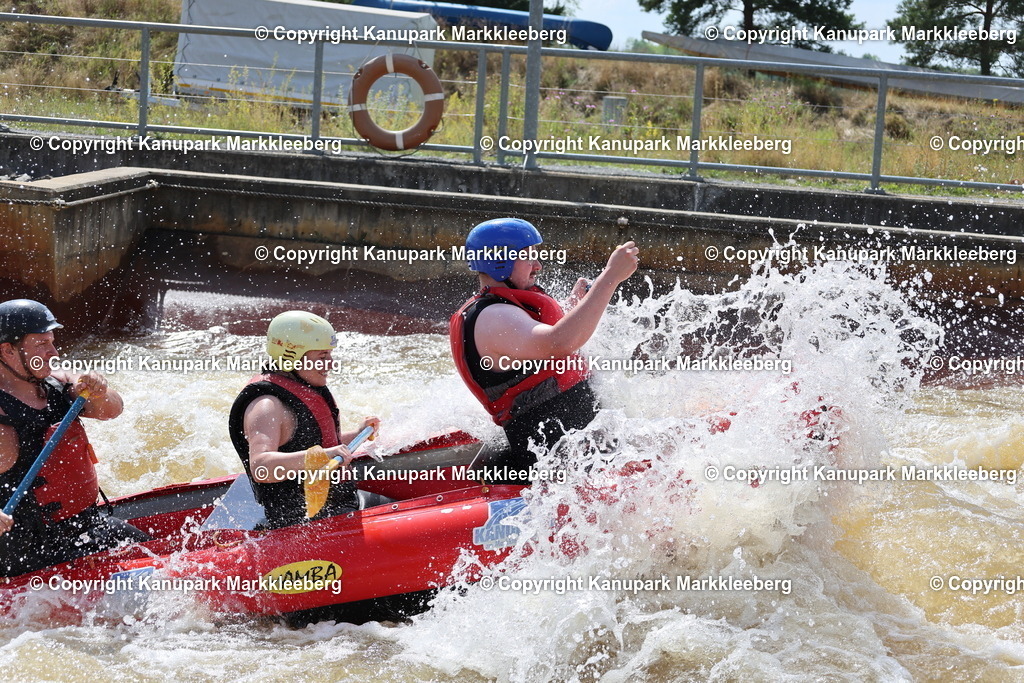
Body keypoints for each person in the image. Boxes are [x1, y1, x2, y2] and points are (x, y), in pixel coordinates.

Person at [450, 218, 639, 471]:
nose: (537, 265)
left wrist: (574, 308)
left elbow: (539, 346)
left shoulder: (501, 310)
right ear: (499, 261)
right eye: (528, 257)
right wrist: (610, 277)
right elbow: (560, 342)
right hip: (555, 463)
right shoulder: (493, 316)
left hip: (577, 450)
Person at [0, 299, 149, 577]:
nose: (53, 352)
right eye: (41, 345)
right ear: (8, 350)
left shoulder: (59, 383)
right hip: (22, 553)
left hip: (83, 526)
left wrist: (100, 390)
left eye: (52, 342)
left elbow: (112, 410)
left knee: (150, 552)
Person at [229, 311, 380, 528]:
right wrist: (321, 457)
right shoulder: (267, 406)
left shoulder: (305, 389)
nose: (330, 364)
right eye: (322, 357)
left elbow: (318, 445)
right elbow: (261, 467)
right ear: (292, 357)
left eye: (330, 355)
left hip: (340, 504)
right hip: (303, 523)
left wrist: (357, 435)